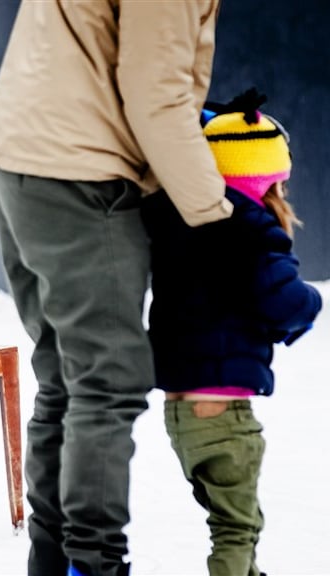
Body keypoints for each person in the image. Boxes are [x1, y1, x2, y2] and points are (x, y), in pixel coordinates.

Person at [0, 3, 239, 575]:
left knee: (67, 377)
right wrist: (216, 219)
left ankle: (53, 562)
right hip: (80, 173)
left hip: (19, 159)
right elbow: (158, 97)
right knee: (106, 379)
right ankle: (95, 565)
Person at [143, 90, 322, 576]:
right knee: (237, 529)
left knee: (233, 519)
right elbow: (282, 300)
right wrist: (313, 303)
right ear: (267, 179)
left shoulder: (178, 219)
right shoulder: (254, 229)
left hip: (180, 414)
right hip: (223, 411)